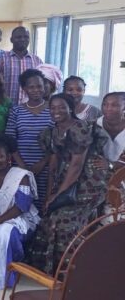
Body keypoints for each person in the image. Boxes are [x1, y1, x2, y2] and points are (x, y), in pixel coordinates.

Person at [30, 93, 109, 275]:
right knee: (49, 217)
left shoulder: (79, 127)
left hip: (87, 183)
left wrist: (58, 196)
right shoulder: (52, 131)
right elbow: (54, 164)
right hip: (65, 181)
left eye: (61, 107)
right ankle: (51, 269)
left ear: (71, 108)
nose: (56, 111)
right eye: (53, 108)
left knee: (64, 221)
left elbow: (76, 165)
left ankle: (73, 271)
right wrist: (50, 194)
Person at [0, 136, 40, 289]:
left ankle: (3, 277)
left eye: (0, 156)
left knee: (6, 231)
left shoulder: (20, 175)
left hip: (18, 217)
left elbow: (21, 207)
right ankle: (6, 269)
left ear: (8, 157)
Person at [5, 69, 53, 209]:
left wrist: (43, 163)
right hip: (20, 167)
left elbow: (57, 141)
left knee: (43, 205)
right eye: (31, 87)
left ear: (44, 87)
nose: (36, 90)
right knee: (21, 205)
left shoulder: (53, 109)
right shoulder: (16, 111)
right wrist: (22, 166)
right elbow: (11, 140)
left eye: (39, 86)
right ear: (24, 88)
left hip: (46, 168)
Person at [0, 27, 43, 104]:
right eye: (19, 37)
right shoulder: (0, 59)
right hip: (5, 106)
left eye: (26, 37)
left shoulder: (37, 61)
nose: (22, 39)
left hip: (29, 108)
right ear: (11, 39)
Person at [94, 92, 125, 217]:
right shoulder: (94, 125)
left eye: (114, 105)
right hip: (97, 177)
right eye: (105, 104)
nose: (108, 108)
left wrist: (111, 165)